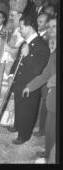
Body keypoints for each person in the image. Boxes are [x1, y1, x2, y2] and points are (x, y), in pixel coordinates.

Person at [7, 15, 50, 144]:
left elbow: (38, 70)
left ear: (30, 28)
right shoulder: (25, 43)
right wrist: (10, 75)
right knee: (19, 106)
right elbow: (16, 62)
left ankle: (24, 135)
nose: (19, 30)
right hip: (18, 82)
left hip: (30, 85)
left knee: (27, 110)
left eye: (21, 27)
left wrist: (27, 55)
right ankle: (18, 125)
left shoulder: (42, 46)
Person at [22, 17, 56, 161]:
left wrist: (54, 80)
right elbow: (46, 73)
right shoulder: (53, 49)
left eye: (55, 26)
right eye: (49, 27)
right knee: (50, 131)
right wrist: (30, 86)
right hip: (53, 99)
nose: (51, 29)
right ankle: (49, 155)